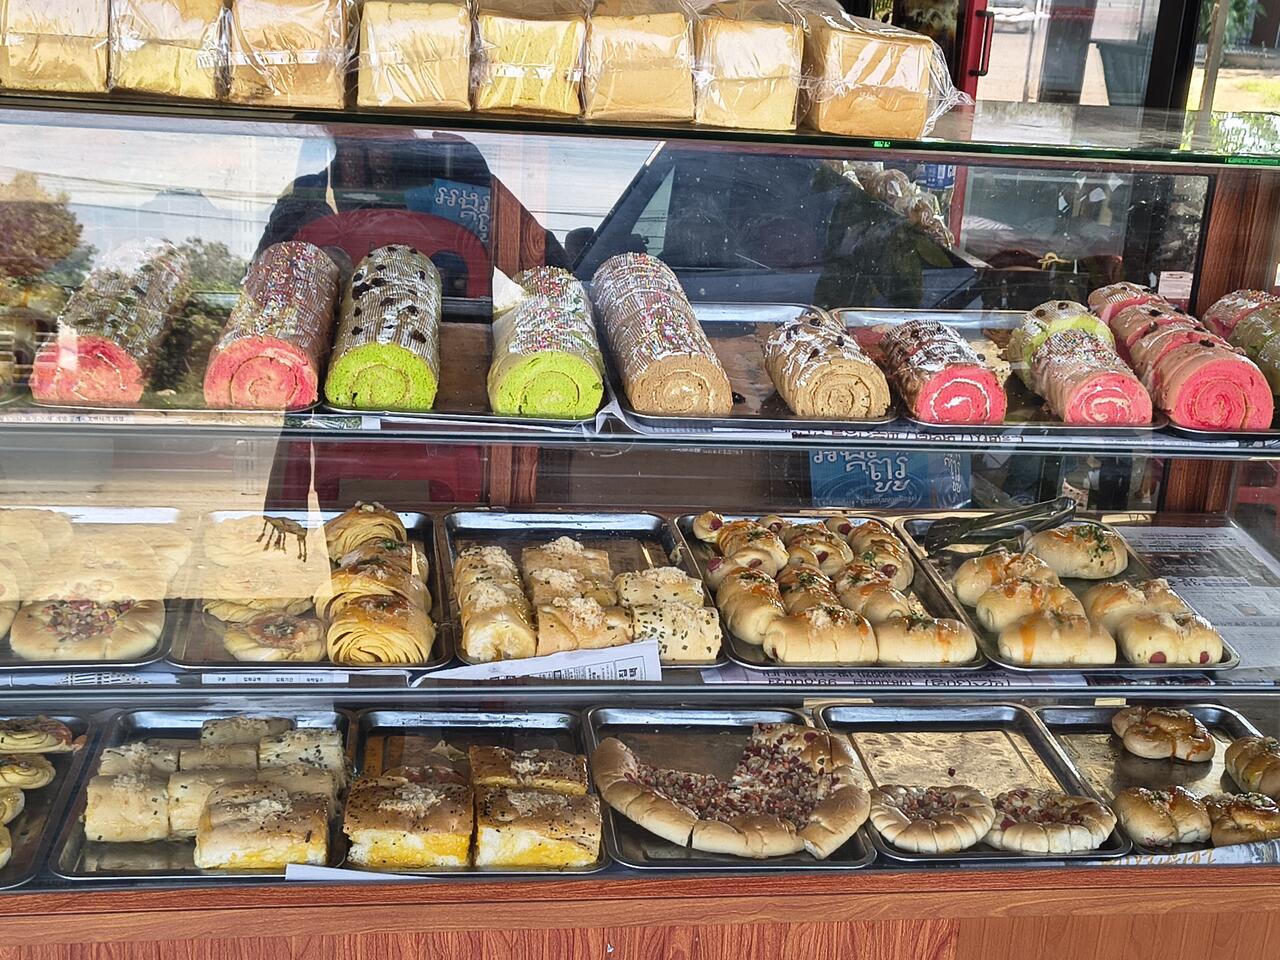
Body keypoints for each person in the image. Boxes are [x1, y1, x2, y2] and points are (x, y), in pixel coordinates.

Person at [256, 128, 568, 298]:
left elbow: (549, 270)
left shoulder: (452, 172)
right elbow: (265, 292)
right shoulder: (306, 196)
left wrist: (480, 185)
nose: (373, 139)